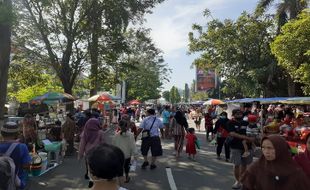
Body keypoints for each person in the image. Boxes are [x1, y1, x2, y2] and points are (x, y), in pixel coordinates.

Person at [241, 135, 310, 190]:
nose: (266, 152)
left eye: (270, 148)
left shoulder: (295, 171)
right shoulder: (255, 168)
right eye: (263, 147)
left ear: (281, 149)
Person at [227, 109, 254, 189]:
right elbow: (232, 133)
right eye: (237, 114)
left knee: (244, 165)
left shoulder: (246, 123)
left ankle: (241, 180)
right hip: (235, 147)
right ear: (233, 114)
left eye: (240, 113)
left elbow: (252, 130)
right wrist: (246, 137)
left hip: (247, 147)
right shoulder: (230, 123)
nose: (239, 115)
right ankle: (237, 181)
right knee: (236, 165)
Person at [0, 122, 31, 190]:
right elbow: (26, 165)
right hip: (16, 184)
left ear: (2, 133)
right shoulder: (22, 147)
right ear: (17, 134)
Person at [78, 118, 105, 187]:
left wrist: (80, 155)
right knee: (97, 167)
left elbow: (82, 145)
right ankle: (97, 180)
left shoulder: (85, 132)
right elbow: (103, 143)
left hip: (88, 153)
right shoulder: (100, 132)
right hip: (98, 153)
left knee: (89, 167)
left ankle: (91, 180)